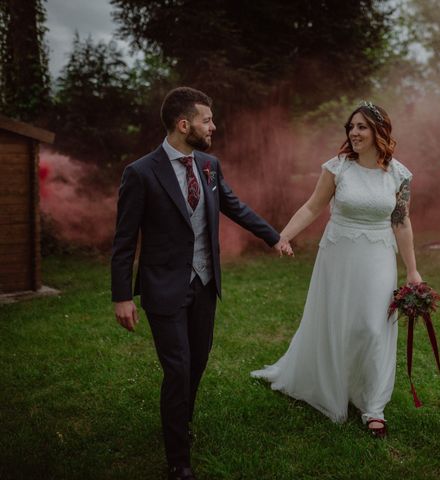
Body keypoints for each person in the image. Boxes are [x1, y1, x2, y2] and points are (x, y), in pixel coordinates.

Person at [111, 86, 292, 480]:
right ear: (183, 124)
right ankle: (178, 459)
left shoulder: (209, 165)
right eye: (206, 120)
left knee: (197, 363)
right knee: (177, 369)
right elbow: (124, 241)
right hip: (164, 288)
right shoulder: (141, 173)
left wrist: (273, 236)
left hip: (205, 284)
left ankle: (181, 419)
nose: (213, 126)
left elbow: (235, 206)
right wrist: (122, 295)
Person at [251, 101, 422, 438]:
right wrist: (283, 235)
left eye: (361, 127)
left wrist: (412, 271)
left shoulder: (400, 175)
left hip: (378, 257)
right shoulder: (338, 168)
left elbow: (401, 222)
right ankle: (334, 386)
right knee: (339, 323)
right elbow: (313, 206)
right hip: (338, 255)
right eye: (351, 127)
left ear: (378, 131)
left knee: (373, 327)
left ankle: (373, 405)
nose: (354, 133)